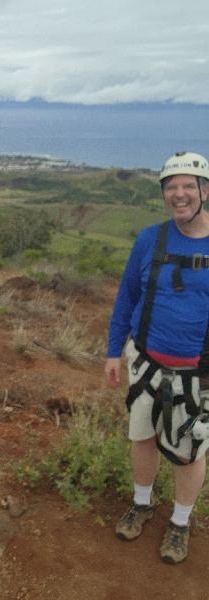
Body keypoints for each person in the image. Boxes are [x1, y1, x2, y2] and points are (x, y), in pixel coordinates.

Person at [105, 151, 209, 565]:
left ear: (205, 190)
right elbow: (127, 294)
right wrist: (114, 350)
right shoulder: (151, 238)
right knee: (142, 435)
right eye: (171, 188)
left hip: (199, 371)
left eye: (188, 186)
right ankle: (142, 503)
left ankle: (180, 523)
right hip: (146, 360)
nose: (179, 195)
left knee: (190, 449)